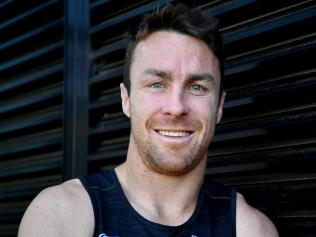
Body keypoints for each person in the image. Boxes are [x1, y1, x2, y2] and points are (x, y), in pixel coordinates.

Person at [18, 3, 278, 237]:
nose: (176, 107)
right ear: (126, 99)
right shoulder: (61, 215)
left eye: (197, 87)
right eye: (156, 84)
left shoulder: (250, 229)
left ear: (219, 106)